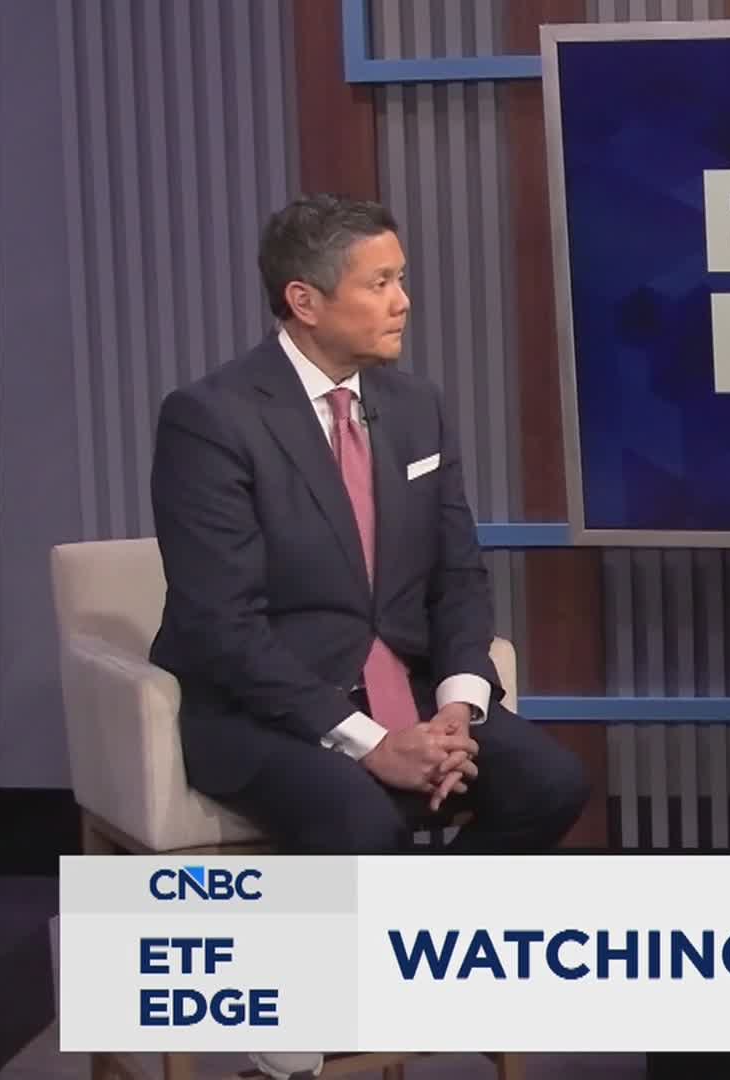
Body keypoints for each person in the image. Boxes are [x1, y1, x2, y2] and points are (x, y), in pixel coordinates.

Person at [148, 194, 590, 859]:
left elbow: (458, 576)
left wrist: (457, 709)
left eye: (400, 279)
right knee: (365, 822)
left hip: (408, 691)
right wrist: (373, 744)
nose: (402, 302)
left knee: (551, 784)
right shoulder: (211, 419)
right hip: (267, 711)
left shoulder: (416, 406)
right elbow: (222, 626)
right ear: (304, 301)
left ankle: (424, 919)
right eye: (379, 283)